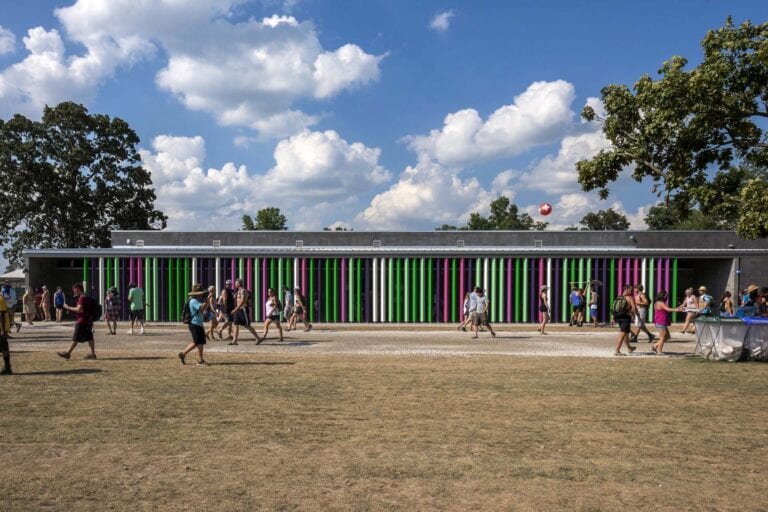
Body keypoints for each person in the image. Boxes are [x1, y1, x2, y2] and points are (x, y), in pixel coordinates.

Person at [57, 282, 96, 360]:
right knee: (89, 338)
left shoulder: (82, 298)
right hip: (88, 321)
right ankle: (92, 354)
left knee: (76, 338)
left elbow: (79, 309)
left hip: (82, 321)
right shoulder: (87, 297)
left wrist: (68, 307)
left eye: (74, 290)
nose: (73, 291)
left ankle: (68, 353)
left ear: (78, 289)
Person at [178, 284, 210, 366]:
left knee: (198, 342)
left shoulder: (196, 300)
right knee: (198, 342)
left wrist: (206, 302)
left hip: (197, 323)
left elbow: (205, 308)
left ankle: (185, 354)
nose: (202, 294)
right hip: (195, 323)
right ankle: (198, 360)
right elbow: (202, 308)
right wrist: (207, 300)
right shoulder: (194, 301)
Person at [229, 278, 261, 345]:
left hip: (243, 310)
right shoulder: (238, 291)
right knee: (235, 324)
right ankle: (234, 340)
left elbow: (243, 301)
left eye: (236, 282)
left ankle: (258, 338)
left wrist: (236, 309)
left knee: (247, 325)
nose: (235, 284)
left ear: (239, 283)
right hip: (238, 310)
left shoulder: (243, 291)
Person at [651, 291, 683, 355]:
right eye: (666, 296)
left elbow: (666, 309)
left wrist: (676, 308)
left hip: (661, 322)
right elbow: (667, 309)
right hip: (661, 322)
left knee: (667, 336)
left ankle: (654, 346)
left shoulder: (658, 302)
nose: (667, 297)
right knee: (662, 337)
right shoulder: (660, 303)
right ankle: (659, 351)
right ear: (663, 296)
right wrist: (677, 310)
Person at [613, 284, 638, 356]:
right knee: (622, 333)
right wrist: (636, 315)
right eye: (630, 289)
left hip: (618, 317)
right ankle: (617, 350)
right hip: (625, 318)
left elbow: (615, 307)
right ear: (626, 289)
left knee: (626, 333)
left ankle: (629, 348)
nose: (631, 291)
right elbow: (634, 308)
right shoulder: (630, 298)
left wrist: (613, 317)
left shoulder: (619, 297)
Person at [0, 289, 12, 374]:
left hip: (0, 329)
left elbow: (1, 315)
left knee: (4, 348)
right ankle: (7, 368)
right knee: (4, 348)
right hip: (2, 329)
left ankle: (7, 368)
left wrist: (3, 330)